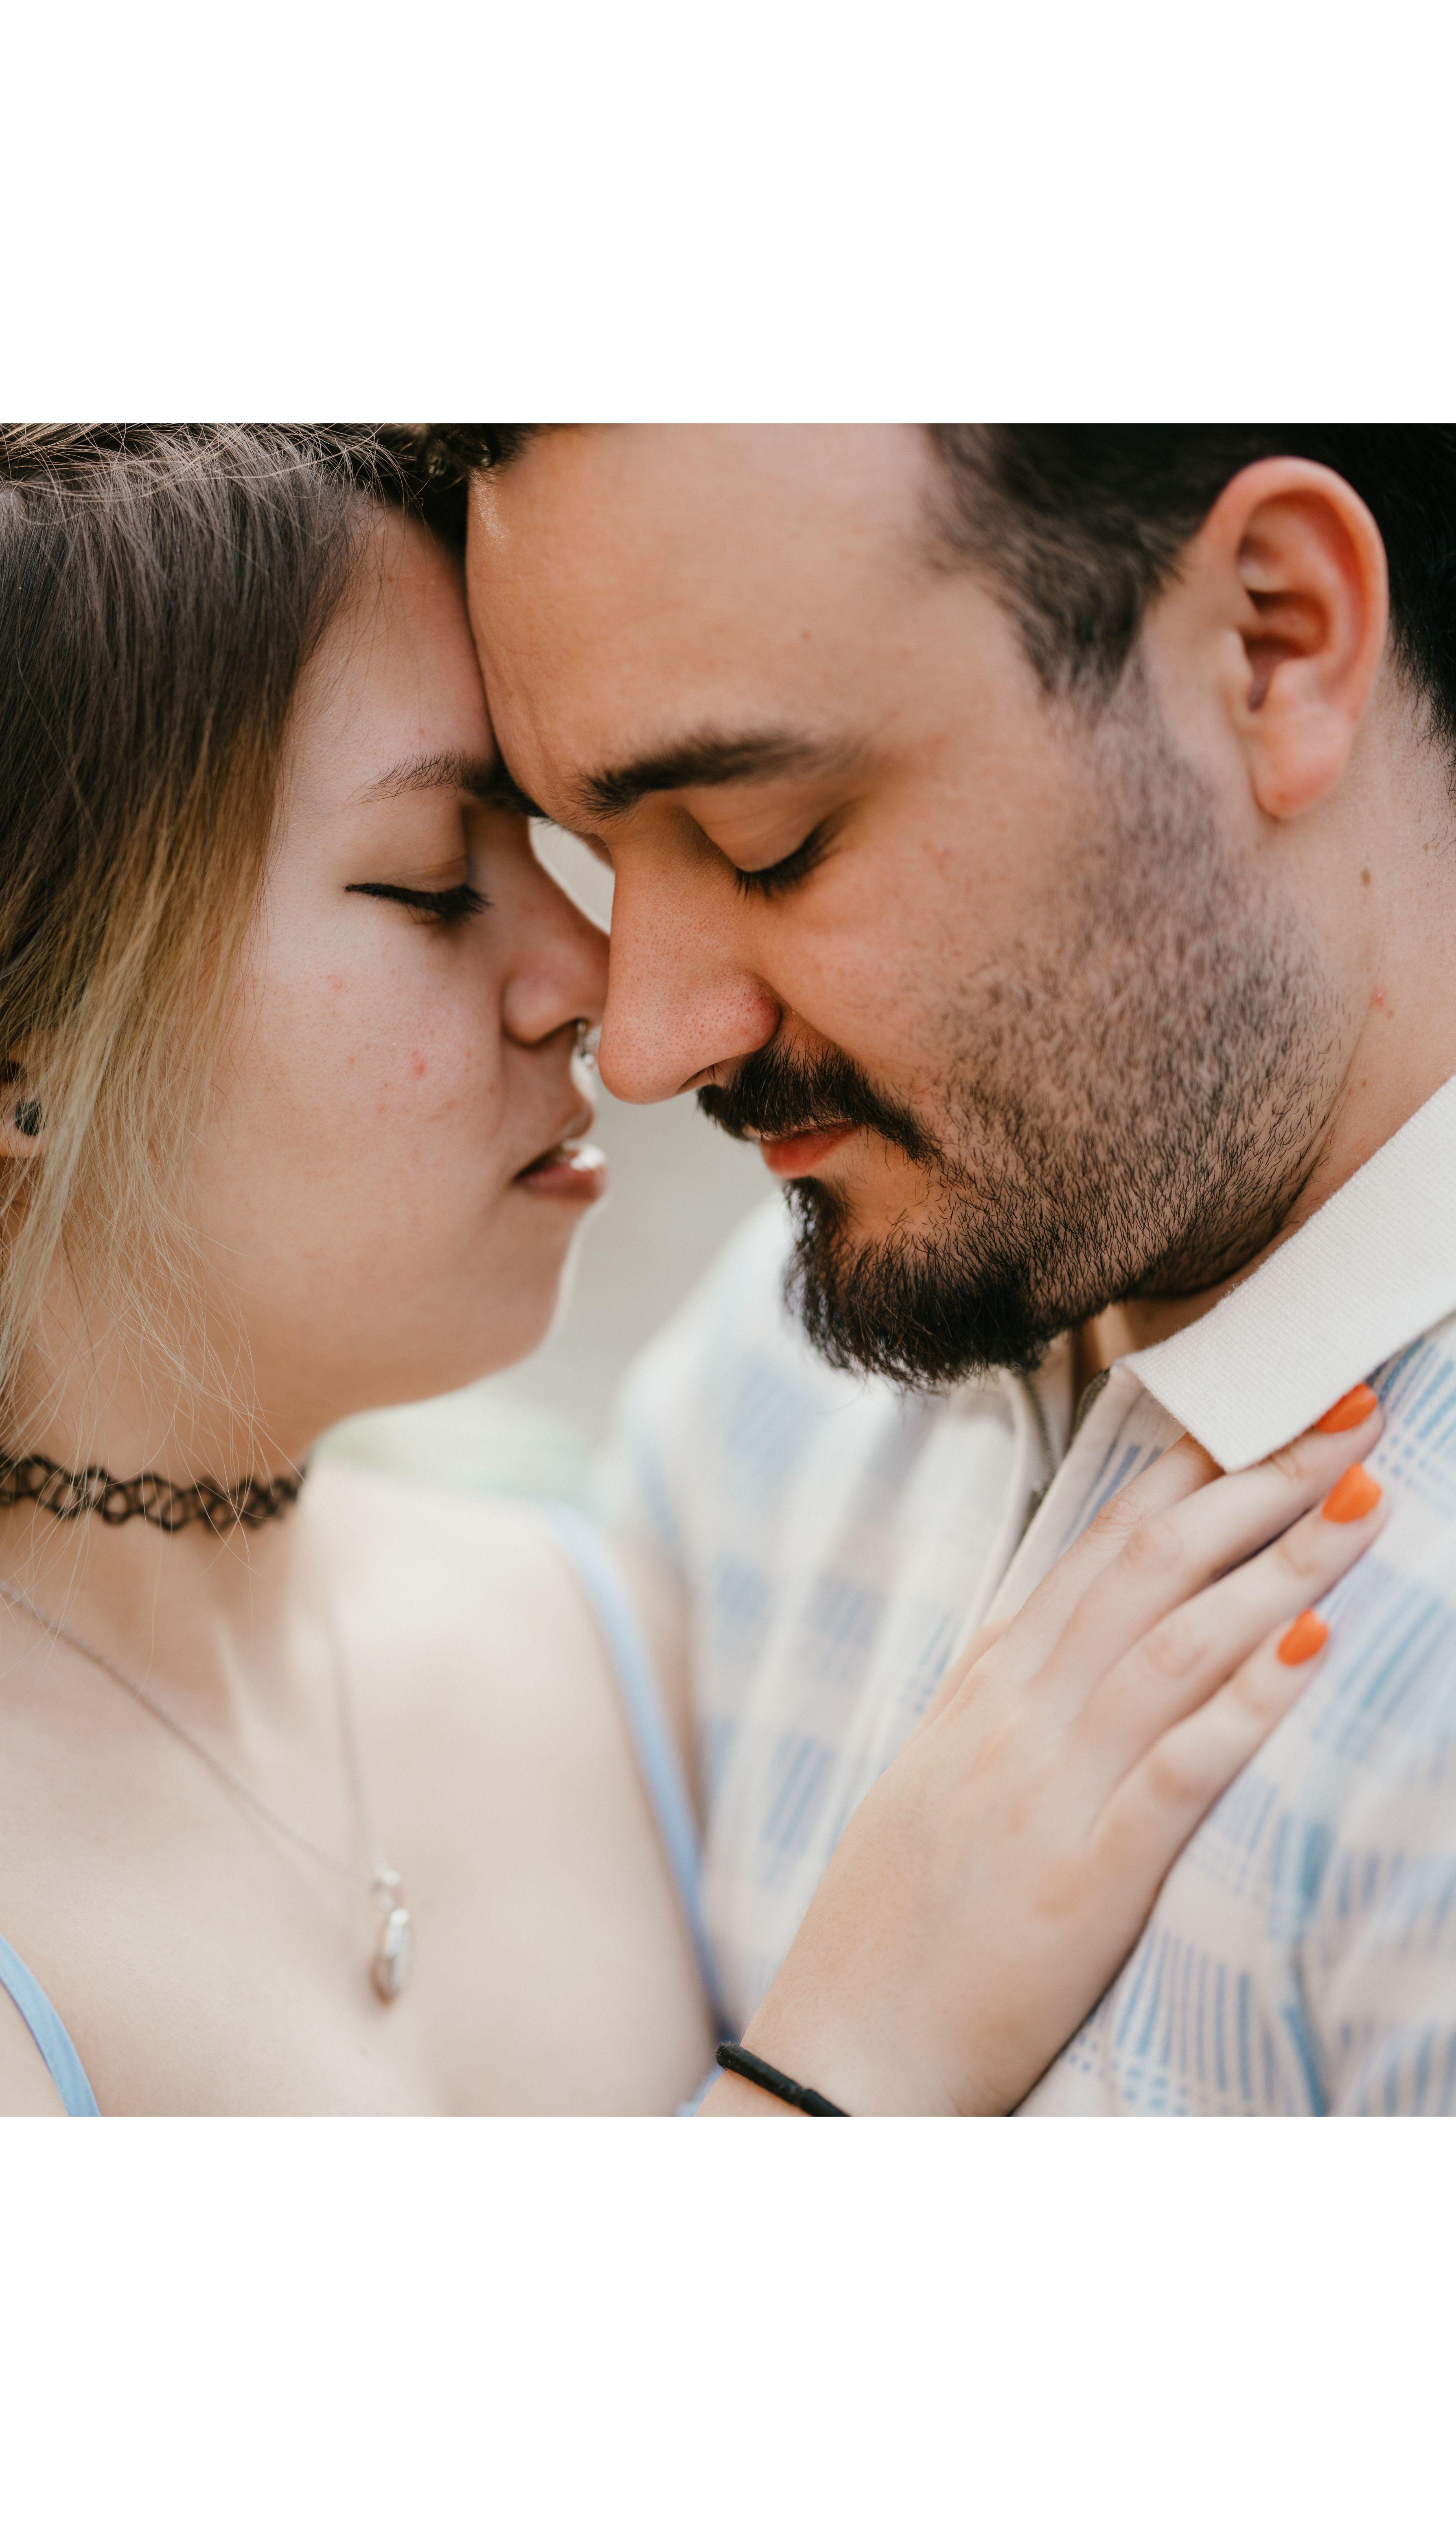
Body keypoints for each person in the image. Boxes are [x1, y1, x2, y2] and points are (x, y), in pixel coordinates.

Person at [0, 427, 1386, 2117]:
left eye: (590, 851)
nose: (604, 1002)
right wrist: (845, 2070)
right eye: (434, 882)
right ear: (9, 1057)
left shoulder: (610, 1623)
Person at [457, 424, 1456, 2114]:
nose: (645, 1041)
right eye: (597, 859)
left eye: (770, 842)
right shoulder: (773, 1381)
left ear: (1276, 647)